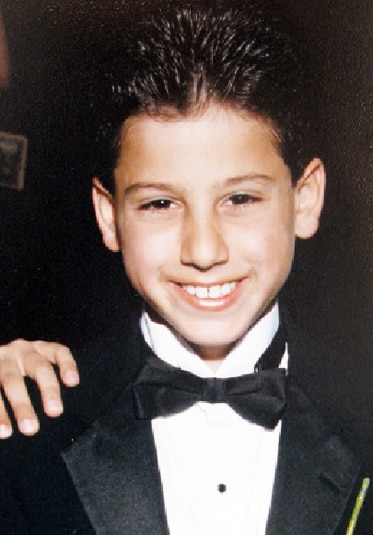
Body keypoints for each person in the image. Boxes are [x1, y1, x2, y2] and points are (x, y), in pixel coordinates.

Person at [0, 2, 371, 533]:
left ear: (304, 201)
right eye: (159, 204)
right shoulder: (27, 423)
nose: (202, 250)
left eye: (240, 198)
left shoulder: (364, 410)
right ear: (109, 216)